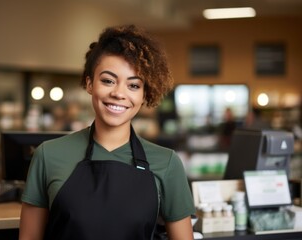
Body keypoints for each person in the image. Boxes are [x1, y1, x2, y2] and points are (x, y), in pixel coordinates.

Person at [19, 24, 195, 240]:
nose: (119, 93)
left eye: (133, 86)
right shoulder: (48, 155)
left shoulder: (167, 163)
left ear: (144, 94)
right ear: (90, 83)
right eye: (108, 81)